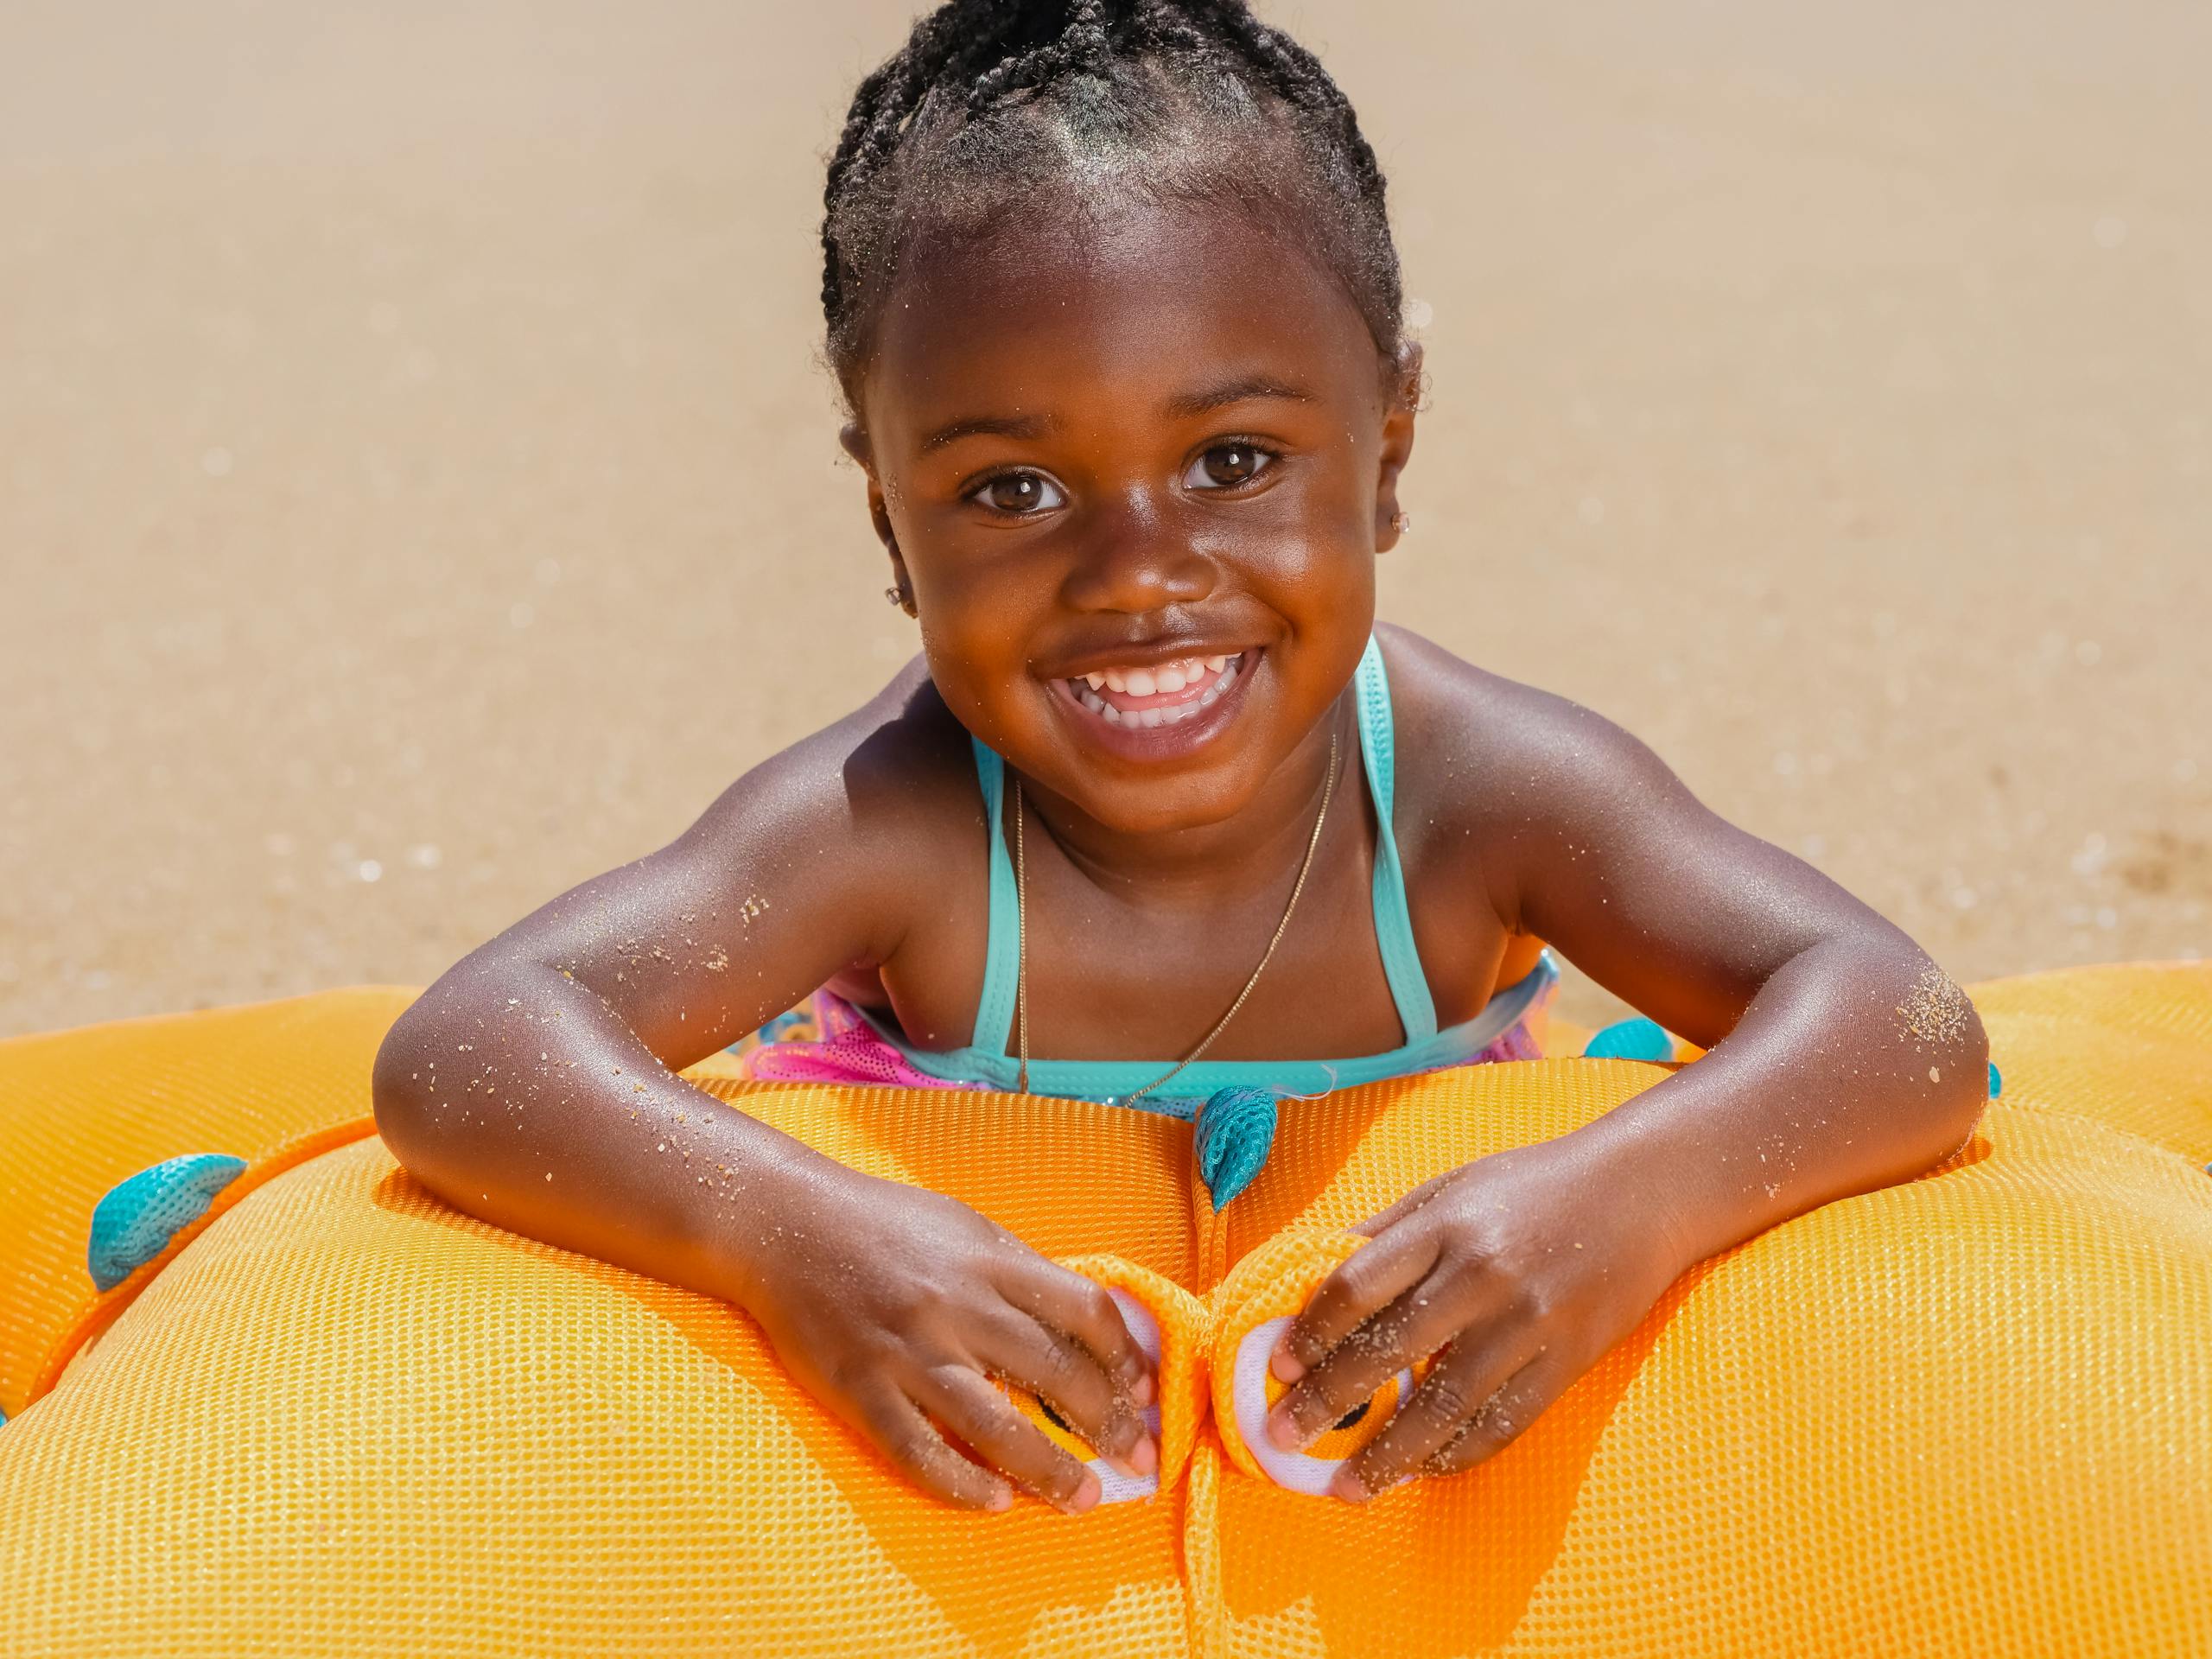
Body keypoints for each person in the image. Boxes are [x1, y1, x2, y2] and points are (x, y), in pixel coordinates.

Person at [372, 0, 1987, 1518]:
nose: (1138, 573)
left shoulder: (1475, 795)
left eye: (1232, 462)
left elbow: (1894, 1010)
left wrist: (1633, 1196)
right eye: (1011, 491)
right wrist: (791, 1229)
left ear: (1388, 455)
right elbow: (473, 1043)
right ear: (888, 519)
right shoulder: (896, 823)